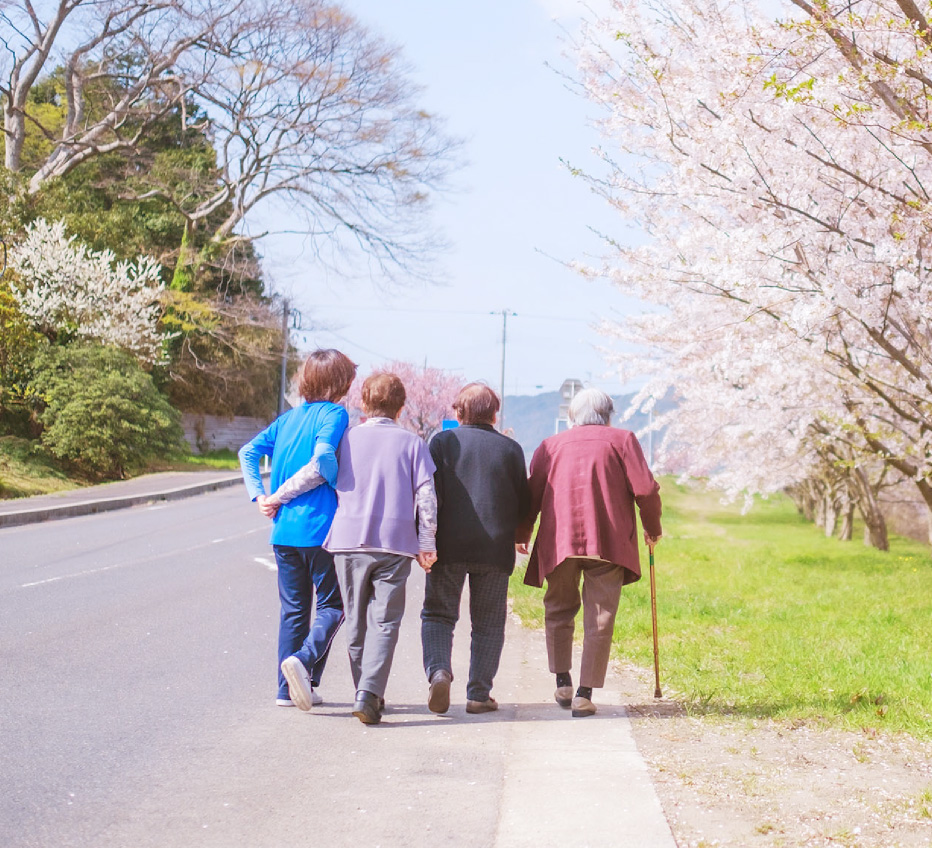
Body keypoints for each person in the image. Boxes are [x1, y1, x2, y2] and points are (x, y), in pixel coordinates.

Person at [516, 388, 662, 718]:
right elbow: (646, 489)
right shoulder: (623, 440)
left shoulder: (550, 446)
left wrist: (522, 532)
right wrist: (652, 528)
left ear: (571, 416)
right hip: (607, 542)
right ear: (608, 415)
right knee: (600, 616)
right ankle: (585, 692)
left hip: (560, 541)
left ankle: (562, 680)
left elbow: (532, 492)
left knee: (558, 608)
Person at [238, 348, 356, 711]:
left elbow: (247, 452)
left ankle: (285, 691)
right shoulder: (335, 413)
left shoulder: (287, 420)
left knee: (292, 611)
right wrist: (339, 483)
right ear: (339, 383)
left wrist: (259, 496)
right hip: (319, 528)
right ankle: (304, 664)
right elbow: (322, 459)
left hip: (282, 532)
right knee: (333, 606)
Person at [324, 372, 438, 725]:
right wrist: (426, 544)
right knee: (385, 621)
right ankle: (369, 693)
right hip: (394, 542)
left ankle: (367, 692)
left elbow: (322, 474)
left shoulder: (345, 440)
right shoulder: (413, 443)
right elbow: (427, 497)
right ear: (402, 406)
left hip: (347, 540)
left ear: (363, 403)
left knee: (356, 622)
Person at [421, 383, 530, 714]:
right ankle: (478, 694)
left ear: (458, 412)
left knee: (439, 614)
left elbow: (429, 493)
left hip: (448, 546)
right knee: (489, 622)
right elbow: (525, 499)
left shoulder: (442, 442)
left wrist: (424, 540)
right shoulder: (510, 449)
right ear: (495, 415)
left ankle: (439, 670)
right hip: (495, 548)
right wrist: (521, 534)